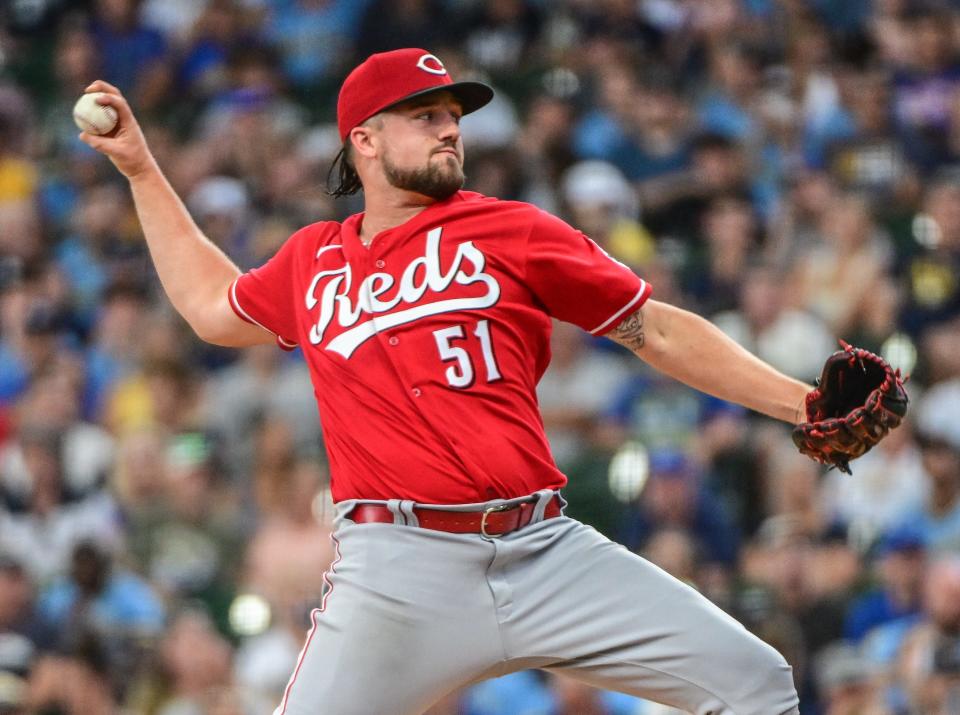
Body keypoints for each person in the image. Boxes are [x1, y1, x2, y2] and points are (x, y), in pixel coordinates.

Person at [80, 48, 809, 715]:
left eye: (453, 117)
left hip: (544, 548)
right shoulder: (313, 260)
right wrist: (143, 170)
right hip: (396, 573)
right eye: (425, 115)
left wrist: (802, 405)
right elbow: (212, 307)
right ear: (363, 139)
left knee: (756, 684)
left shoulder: (512, 230)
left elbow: (656, 327)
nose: (449, 130)